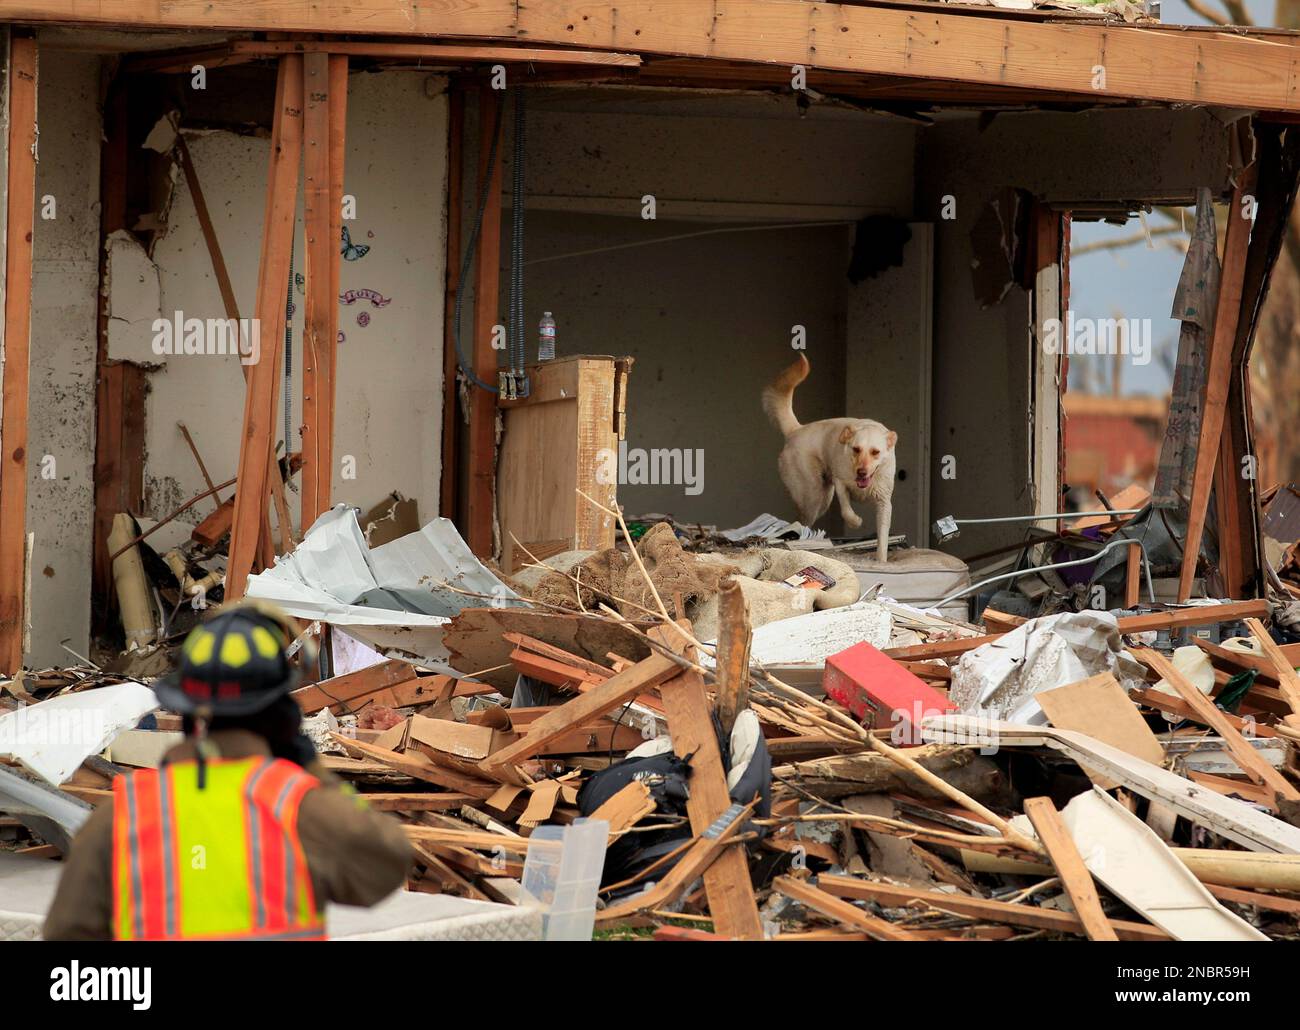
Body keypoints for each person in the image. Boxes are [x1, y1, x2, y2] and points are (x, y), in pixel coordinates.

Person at [45, 603, 413, 940]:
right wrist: (311, 771)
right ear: (280, 715)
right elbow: (387, 865)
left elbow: (70, 945)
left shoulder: (122, 818)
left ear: (185, 708)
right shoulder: (302, 809)